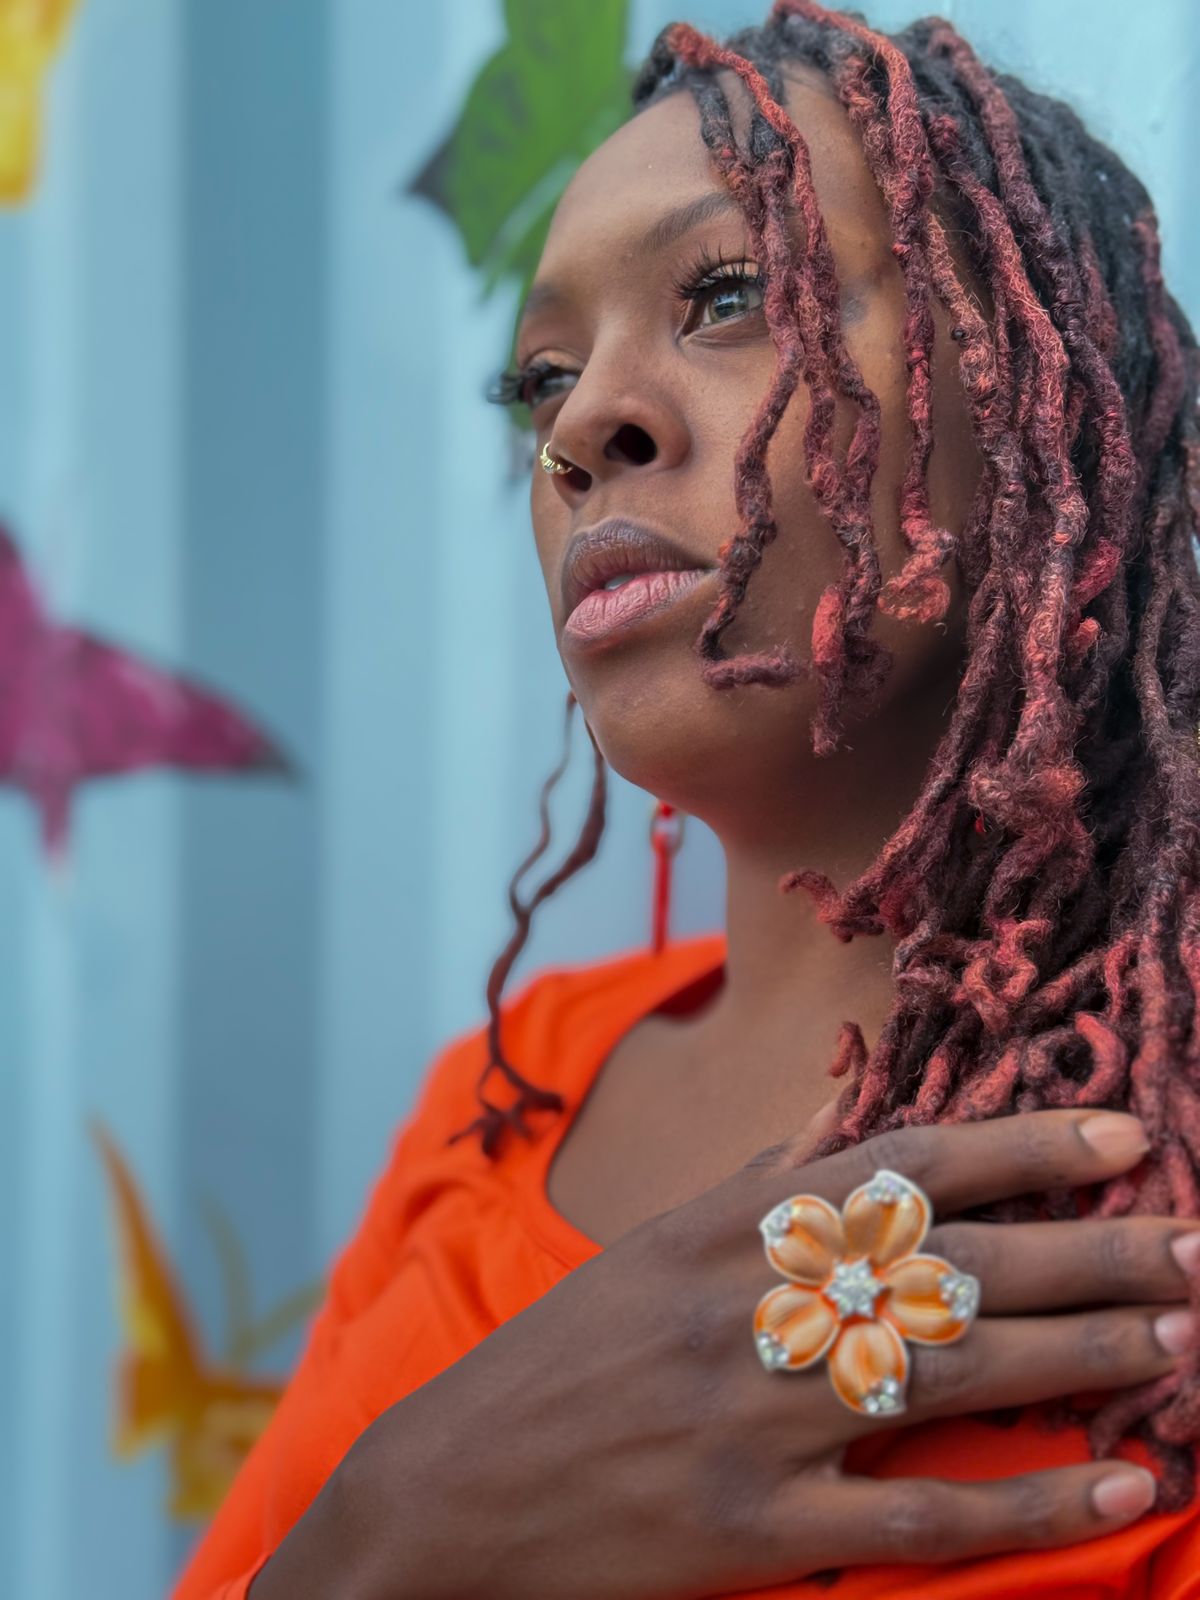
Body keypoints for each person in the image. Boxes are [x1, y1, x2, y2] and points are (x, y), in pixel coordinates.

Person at [173, 3, 1200, 1595]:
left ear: (1034, 397)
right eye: (541, 381)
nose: (583, 428)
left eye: (727, 296)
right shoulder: (496, 1101)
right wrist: (404, 1526)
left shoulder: (1165, 1146)